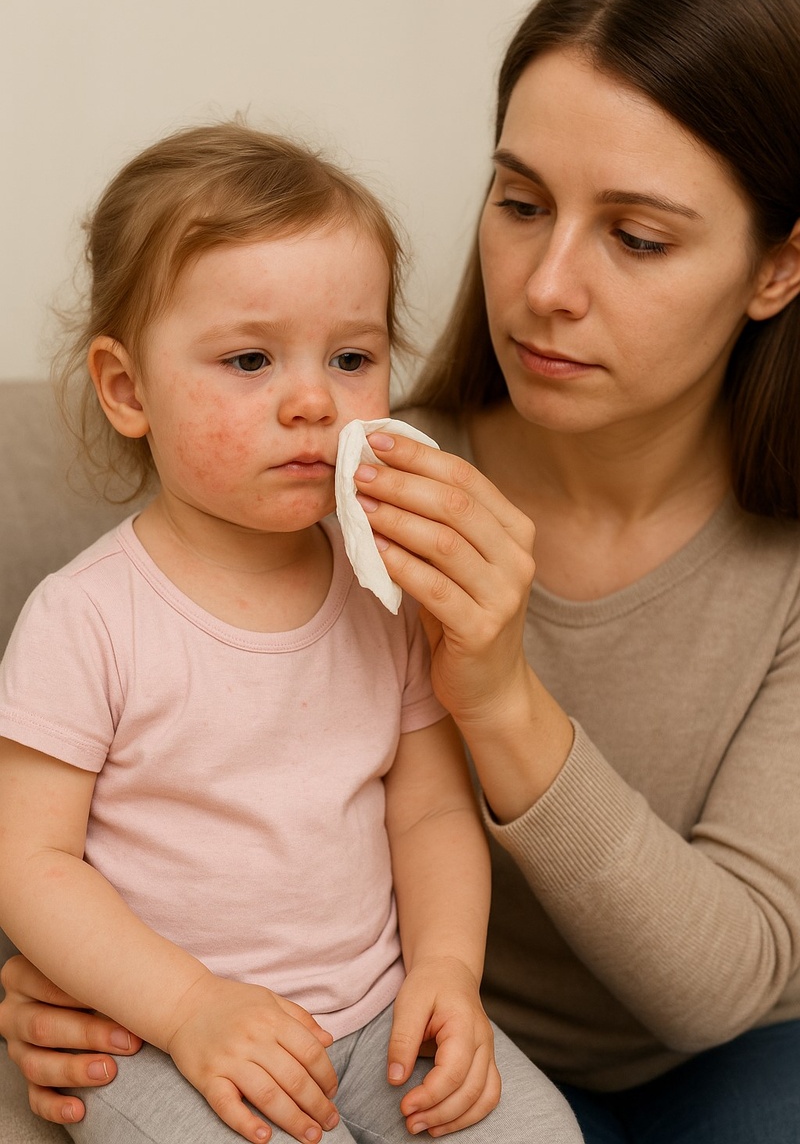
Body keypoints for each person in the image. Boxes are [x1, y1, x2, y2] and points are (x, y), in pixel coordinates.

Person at [3, 0, 800, 1138]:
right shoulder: (330, 490)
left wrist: (499, 698)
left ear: (776, 266)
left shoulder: (764, 572)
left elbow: (718, 987)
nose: (544, 287)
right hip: (302, 1033)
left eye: (636, 236)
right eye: (519, 203)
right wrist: (115, 990)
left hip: (625, 1053)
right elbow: (54, 851)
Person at [0, 123, 581, 1144]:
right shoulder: (85, 618)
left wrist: (447, 971)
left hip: (375, 1016)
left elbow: (430, 813)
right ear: (127, 389)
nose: (313, 400)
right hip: (162, 1036)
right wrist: (189, 1008)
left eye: (351, 357)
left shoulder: (384, 590)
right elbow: (27, 861)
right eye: (250, 359)